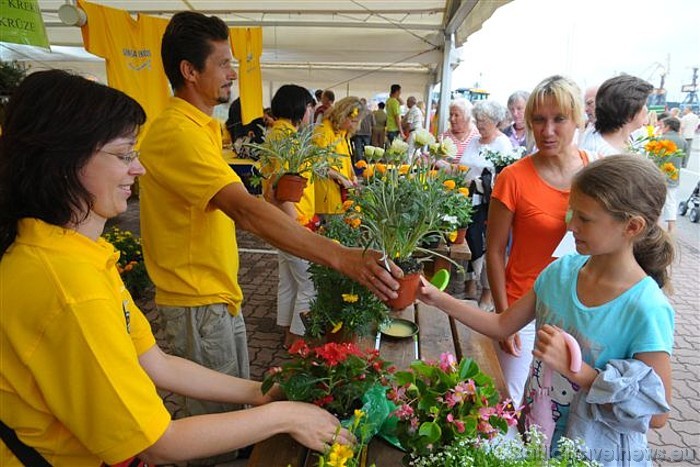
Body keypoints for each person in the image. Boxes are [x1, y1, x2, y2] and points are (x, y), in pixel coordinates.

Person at [0, 69, 354, 466]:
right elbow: (158, 443)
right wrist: (284, 416)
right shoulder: (68, 286)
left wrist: (259, 392)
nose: (140, 170)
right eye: (124, 155)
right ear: (64, 161)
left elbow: (158, 364)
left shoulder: (74, 254)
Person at [138, 12, 399, 460]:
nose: (233, 74)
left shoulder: (200, 128)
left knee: (237, 418)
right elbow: (245, 210)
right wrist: (341, 257)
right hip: (196, 301)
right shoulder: (176, 132)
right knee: (216, 438)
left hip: (216, 296)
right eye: (223, 64)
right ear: (189, 71)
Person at [420, 154, 674, 454]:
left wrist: (579, 372)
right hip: (536, 442)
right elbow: (502, 325)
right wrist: (434, 297)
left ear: (631, 227)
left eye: (585, 218)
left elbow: (657, 414)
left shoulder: (646, 308)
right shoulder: (561, 272)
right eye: (571, 213)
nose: (571, 226)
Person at [486, 75, 594, 406]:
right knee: (510, 405)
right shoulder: (513, 178)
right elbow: (493, 252)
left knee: (561, 408)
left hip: (580, 314)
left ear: (577, 118)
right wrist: (505, 321)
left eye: (559, 119)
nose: (547, 131)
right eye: (539, 119)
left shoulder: (596, 172)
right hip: (524, 311)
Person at [262, 84, 318, 347]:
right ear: (299, 107)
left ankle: (286, 332)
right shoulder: (289, 139)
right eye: (310, 108)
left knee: (289, 280)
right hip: (292, 221)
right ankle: (297, 340)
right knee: (309, 283)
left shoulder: (276, 133)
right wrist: (298, 227)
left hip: (279, 220)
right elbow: (285, 189)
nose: (311, 114)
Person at [459, 100, 513, 308]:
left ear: (496, 121)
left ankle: (487, 295)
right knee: (470, 242)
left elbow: (501, 177)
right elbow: (465, 166)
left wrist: (475, 183)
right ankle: (469, 283)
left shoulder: (503, 144)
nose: (479, 124)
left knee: (489, 247)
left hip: (490, 204)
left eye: (484, 121)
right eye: (477, 120)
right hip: (468, 200)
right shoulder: (475, 140)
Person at [580, 75, 653, 157]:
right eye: (644, 104)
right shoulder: (603, 155)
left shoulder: (626, 140)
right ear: (630, 111)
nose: (646, 109)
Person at [313, 96, 361, 216]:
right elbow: (317, 165)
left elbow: (347, 158)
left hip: (341, 195)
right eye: (352, 121)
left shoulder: (342, 133)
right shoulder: (324, 131)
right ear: (342, 115)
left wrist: (353, 175)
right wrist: (341, 178)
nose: (353, 125)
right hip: (327, 196)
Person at [658, 117, 687, 233]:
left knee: (658, 200)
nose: (661, 128)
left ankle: (657, 224)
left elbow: (655, 157)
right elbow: (685, 161)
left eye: (662, 126)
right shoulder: (683, 141)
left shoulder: (661, 139)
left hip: (660, 174)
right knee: (671, 201)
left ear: (668, 126)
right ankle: (672, 227)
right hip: (674, 175)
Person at [438, 98, 480, 164]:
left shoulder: (478, 135)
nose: (452, 119)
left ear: (467, 117)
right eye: (451, 114)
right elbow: (438, 161)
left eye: (456, 115)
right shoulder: (444, 137)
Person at [351, 97, 373, 162]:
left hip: (358, 132)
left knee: (358, 148)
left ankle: (360, 162)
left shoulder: (356, 112)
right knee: (368, 148)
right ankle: (367, 161)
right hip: (367, 132)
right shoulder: (370, 112)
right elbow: (373, 123)